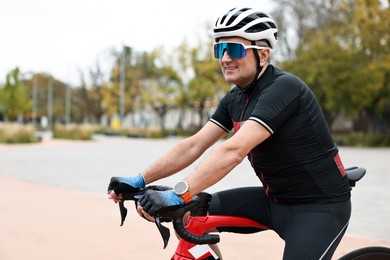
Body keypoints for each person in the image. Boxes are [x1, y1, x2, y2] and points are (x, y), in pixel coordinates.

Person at [108, 7, 352, 260]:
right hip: (274, 200)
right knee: (191, 215)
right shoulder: (235, 98)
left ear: (264, 54)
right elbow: (195, 145)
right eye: (219, 49)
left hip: (319, 207)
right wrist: (139, 180)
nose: (225, 58)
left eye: (234, 49)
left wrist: (177, 194)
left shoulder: (284, 89)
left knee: (184, 201)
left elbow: (233, 151)